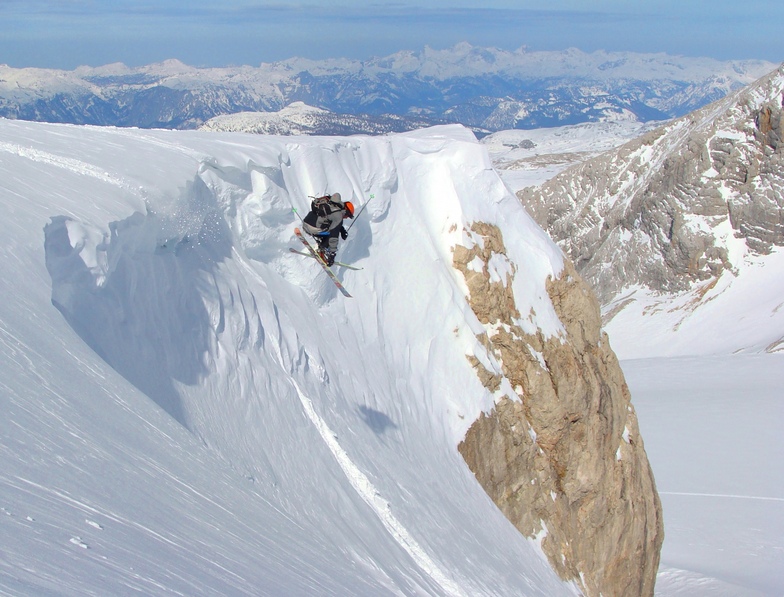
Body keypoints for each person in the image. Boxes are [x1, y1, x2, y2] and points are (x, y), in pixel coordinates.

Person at [301, 192, 354, 266]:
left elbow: (330, 218)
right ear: (346, 212)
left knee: (333, 228)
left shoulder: (331, 204)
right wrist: (332, 254)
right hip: (312, 229)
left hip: (305, 223)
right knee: (333, 233)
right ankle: (322, 248)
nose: (345, 218)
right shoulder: (338, 216)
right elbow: (333, 235)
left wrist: (341, 229)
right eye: (347, 216)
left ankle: (322, 246)